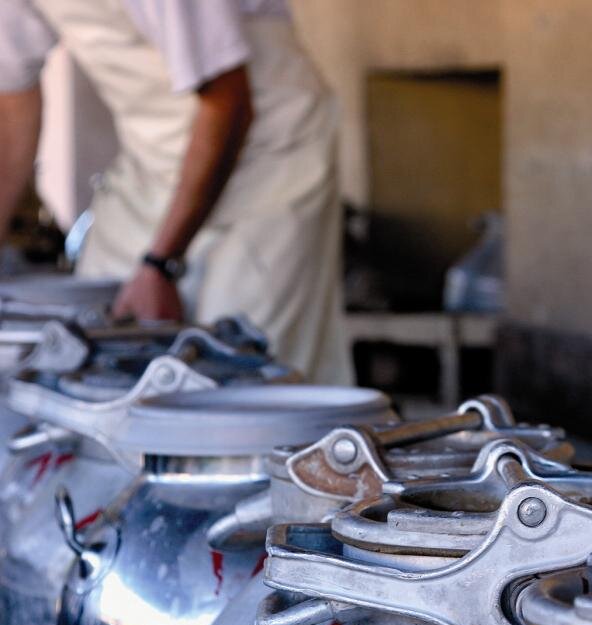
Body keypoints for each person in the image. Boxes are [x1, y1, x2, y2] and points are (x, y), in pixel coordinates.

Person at [0, 0, 351, 383]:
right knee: (91, 332)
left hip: (264, 159)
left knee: (243, 366)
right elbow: (13, 98)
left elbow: (229, 102)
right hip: (150, 161)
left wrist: (160, 264)